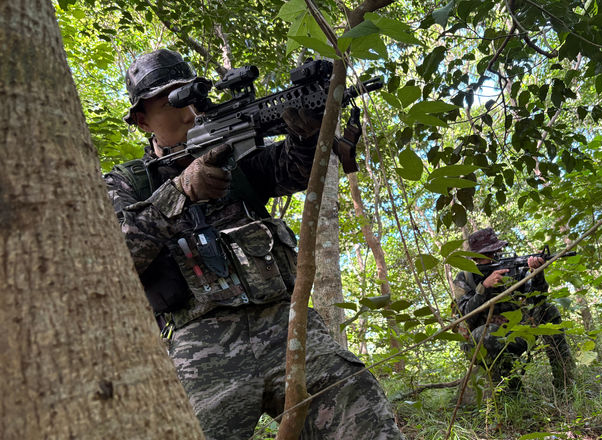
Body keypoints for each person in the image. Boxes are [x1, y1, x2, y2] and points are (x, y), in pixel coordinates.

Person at [105, 48, 403, 439]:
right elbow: (114, 257)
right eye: (170, 101)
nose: (188, 111)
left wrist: (306, 134)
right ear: (143, 119)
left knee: (360, 412)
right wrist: (178, 192)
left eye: (192, 97)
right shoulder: (128, 182)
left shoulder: (236, 155)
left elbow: (293, 169)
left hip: (285, 324)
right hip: (199, 340)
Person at [452, 228, 575, 392]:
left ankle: (565, 382)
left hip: (517, 333)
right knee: (485, 333)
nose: (494, 256)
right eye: (487, 254)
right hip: (483, 342)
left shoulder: (514, 269)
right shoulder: (464, 278)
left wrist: (536, 273)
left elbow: (537, 300)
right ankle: (512, 393)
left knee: (548, 310)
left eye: (496, 251)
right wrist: (484, 287)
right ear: (475, 257)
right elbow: (465, 316)